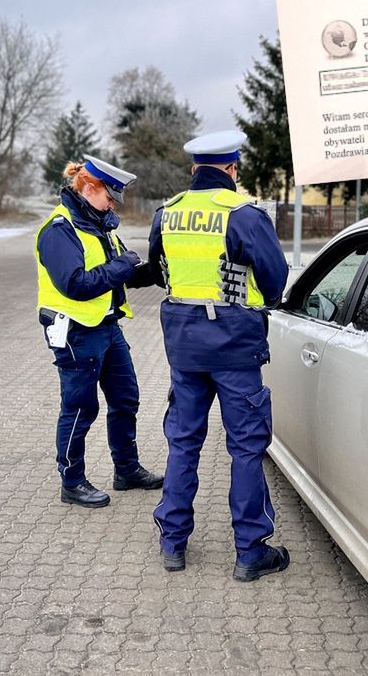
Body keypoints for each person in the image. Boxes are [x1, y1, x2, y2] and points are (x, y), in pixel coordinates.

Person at [149, 130, 290, 581]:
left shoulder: (167, 213)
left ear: (194, 169)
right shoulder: (243, 215)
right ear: (232, 169)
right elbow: (274, 280)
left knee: (183, 442)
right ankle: (250, 552)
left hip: (184, 350)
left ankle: (173, 543)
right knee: (246, 448)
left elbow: (158, 270)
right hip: (235, 349)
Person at [35, 155, 163, 508]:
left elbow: (121, 275)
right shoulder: (60, 230)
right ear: (89, 188)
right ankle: (72, 482)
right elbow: (75, 284)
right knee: (79, 407)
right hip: (76, 332)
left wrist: (156, 271)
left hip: (107, 327)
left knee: (126, 398)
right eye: (109, 196)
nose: (112, 204)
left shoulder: (97, 224)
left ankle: (126, 470)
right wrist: (122, 266)